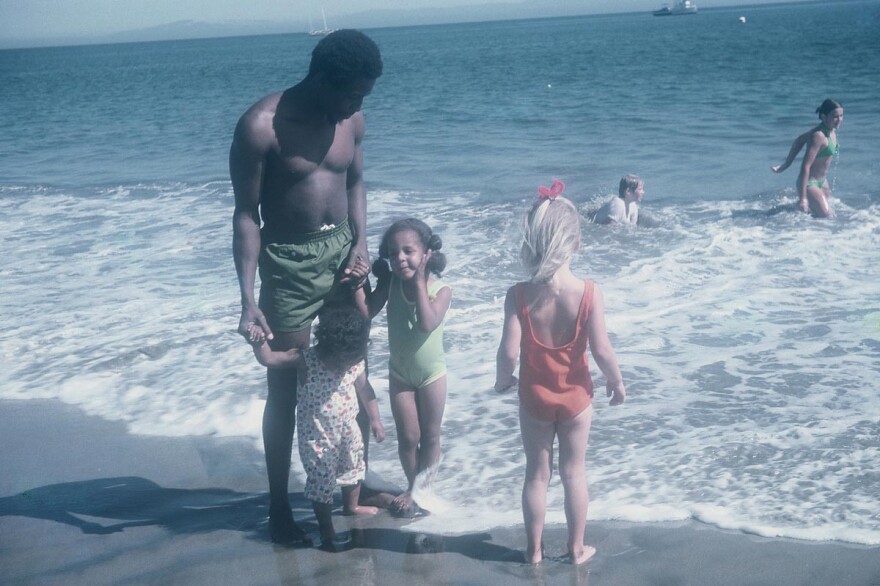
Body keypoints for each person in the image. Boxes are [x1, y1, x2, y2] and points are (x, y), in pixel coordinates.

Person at [230, 29, 382, 545]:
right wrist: (248, 298)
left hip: (343, 255)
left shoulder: (352, 120)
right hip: (289, 262)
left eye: (364, 95)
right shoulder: (260, 128)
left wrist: (361, 240)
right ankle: (278, 505)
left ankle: (351, 491)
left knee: (352, 371)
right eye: (352, 94)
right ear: (321, 79)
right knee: (288, 388)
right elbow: (247, 216)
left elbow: (356, 182)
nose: (358, 105)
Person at [495, 180, 626, 565]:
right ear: (577, 243)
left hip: (534, 399)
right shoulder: (588, 293)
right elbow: (602, 349)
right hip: (576, 400)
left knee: (536, 476)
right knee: (574, 474)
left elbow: (508, 352)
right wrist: (616, 382)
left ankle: (533, 552)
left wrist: (504, 381)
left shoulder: (518, 294)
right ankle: (575, 548)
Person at [248, 304, 385, 550]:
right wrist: (258, 342)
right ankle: (326, 526)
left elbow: (365, 389)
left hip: (348, 429)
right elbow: (269, 359)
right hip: (317, 436)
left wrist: (374, 419)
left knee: (355, 467)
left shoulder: (354, 362)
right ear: (328, 347)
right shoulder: (305, 359)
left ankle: (351, 505)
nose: (346, 365)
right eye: (342, 361)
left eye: (352, 359)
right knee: (321, 481)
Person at [369, 218, 452, 517]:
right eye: (393, 254)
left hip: (432, 376)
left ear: (426, 253)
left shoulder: (441, 290)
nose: (400, 258)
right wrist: (365, 281)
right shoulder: (390, 284)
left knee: (430, 436)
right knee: (408, 438)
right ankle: (411, 485)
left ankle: (424, 490)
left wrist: (418, 282)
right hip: (400, 373)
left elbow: (426, 323)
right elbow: (366, 311)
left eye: (408, 251)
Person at [771, 98, 843, 218]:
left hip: (822, 181)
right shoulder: (818, 136)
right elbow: (806, 166)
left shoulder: (832, 131)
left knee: (821, 216)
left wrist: (785, 164)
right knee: (828, 217)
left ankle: (790, 214)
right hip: (809, 183)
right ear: (824, 117)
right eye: (835, 116)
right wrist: (803, 198)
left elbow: (799, 140)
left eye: (841, 115)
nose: (839, 120)